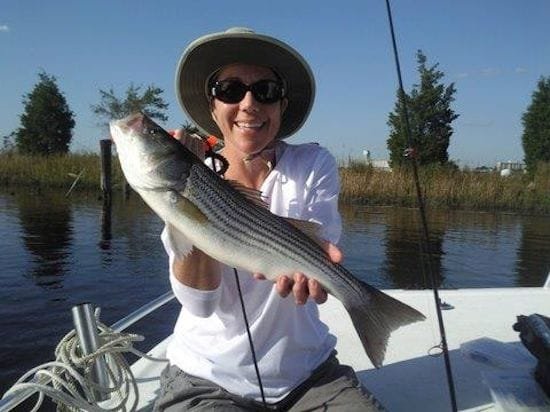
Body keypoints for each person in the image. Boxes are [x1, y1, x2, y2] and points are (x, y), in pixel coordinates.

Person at [154, 27, 384, 411]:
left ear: (282, 105)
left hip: (309, 376)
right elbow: (200, 304)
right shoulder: (187, 179)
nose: (248, 104)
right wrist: (194, 188)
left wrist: (317, 268)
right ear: (212, 106)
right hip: (206, 379)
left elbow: (318, 245)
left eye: (266, 91)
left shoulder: (313, 163)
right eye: (230, 90)